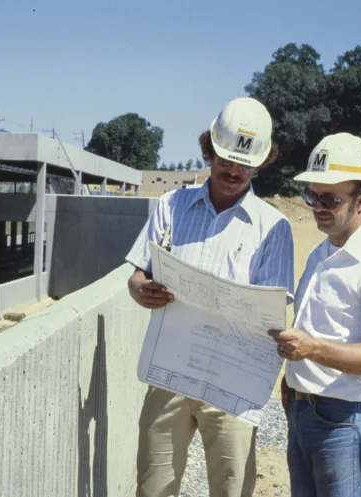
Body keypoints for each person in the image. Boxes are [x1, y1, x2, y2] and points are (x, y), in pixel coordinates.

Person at [125, 97, 295, 497]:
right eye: (225, 160)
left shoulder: (273, 228)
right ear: (209, 150)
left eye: (245, 163)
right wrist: (140, 290)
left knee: (231, 488)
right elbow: (137, 273)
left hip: (233, 382)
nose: (234, 170)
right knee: (154, 485)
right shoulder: (171, 206)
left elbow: (270, 314)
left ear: (262, 162)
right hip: (170, 371)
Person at [270, 133, 361, 497]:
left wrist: (312, 351)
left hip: (346, 422)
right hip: (304, 412)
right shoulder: (323, 252)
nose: (318, 206)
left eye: (330, 199)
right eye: (312, 196)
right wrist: (294, 381)